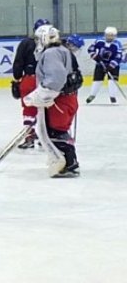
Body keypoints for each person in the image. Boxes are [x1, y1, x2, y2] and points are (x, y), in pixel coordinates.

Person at [23, 25, 82, 177]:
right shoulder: (62, 50)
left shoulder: (51, 53)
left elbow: (56, 79)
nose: (36, 42)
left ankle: (67, 164)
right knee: (58, 131)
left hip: (58, 100)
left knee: (54, 132)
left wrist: (39, 95)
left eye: (37, 38)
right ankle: (69, 162)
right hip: (66, 99)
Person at [11, 18, 51, 149]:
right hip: (47, 81)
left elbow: (18, 63)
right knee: (46, 109)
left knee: (29, 108)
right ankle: (45, 138)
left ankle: (30, 136)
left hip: (30, 79)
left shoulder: (26, 43)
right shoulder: (53, 45)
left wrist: (17, 78)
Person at [86, 26, 123, 104]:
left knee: (112, 81)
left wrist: (111, 66)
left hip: (113, 66)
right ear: (105, 34)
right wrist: (95, 56)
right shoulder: (99, 41)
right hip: (100, 64)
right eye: (108, 35)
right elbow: (90, 49)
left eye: (112, 35)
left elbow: (118, 57)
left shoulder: (117, 44)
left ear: (115, 36)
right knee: (97, 80)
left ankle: (113, 97)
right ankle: (92, 95)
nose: (110, 37)